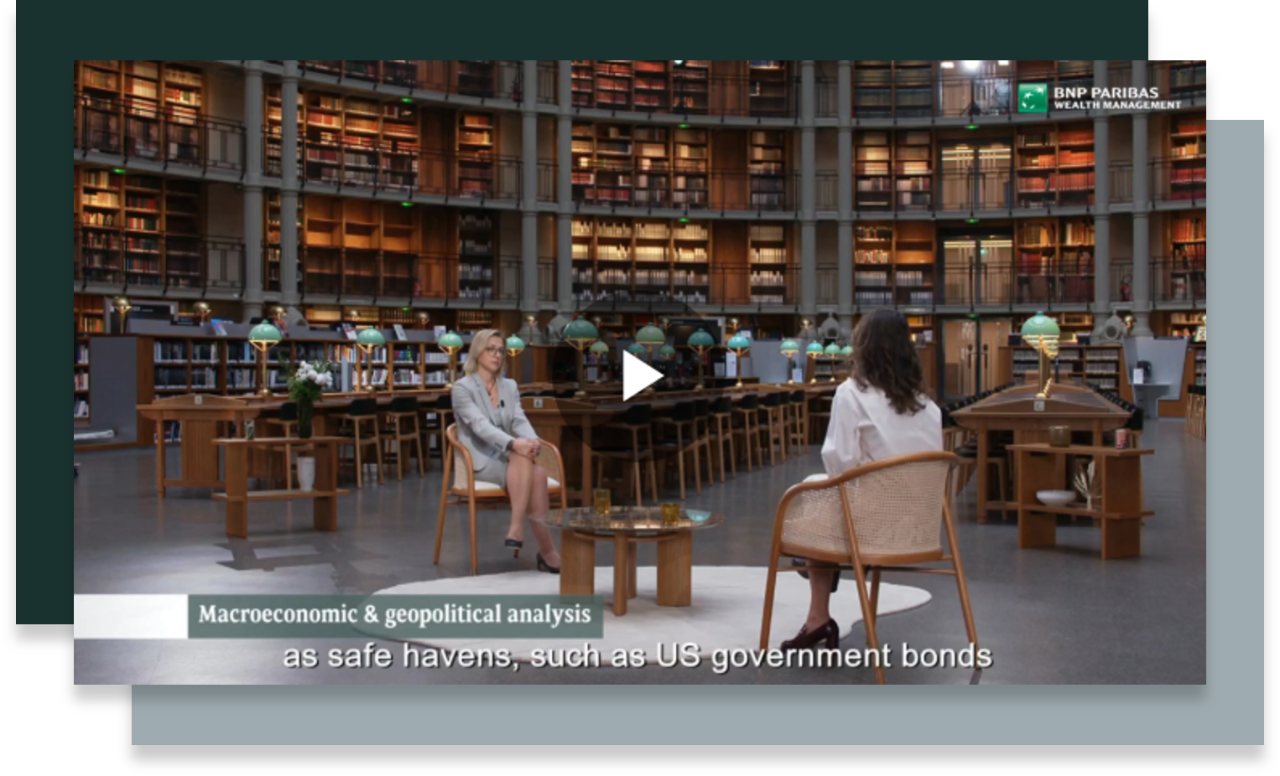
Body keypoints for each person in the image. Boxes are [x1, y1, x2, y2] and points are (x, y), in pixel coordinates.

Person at [782, 309, 942, 651]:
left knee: (811, 503)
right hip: (919, 530)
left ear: (863, 348)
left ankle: (819, 613)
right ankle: (818, 616)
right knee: (825, 512)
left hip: (871, 529)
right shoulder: (929, 406)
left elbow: (838, 463)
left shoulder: (851, 393)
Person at [451, 329, 561, 573]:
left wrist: (531, 441)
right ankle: (543, 548)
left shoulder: (509, 386)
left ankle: (524, 534)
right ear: (478, 352)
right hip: (478, 460)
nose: (497, 355)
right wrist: (513, 444)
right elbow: (480, 426)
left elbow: (519, 420)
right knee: (529, 465)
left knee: (538, 471)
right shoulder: (462, 388)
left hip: (509, 458)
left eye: (500, 351)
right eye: (491, 349)